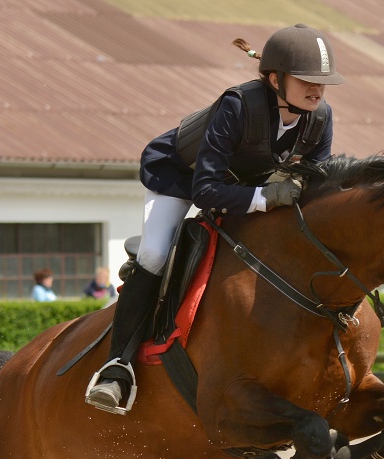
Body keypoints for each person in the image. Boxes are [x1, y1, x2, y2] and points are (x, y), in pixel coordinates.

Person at [85, 23, 344, 412]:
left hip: (240, 186)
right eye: (307, 80)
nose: (317, 89)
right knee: (155, 255)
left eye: (322, 82)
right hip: (179, 176)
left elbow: (314, 186)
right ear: (275, 79)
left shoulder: (319, 119)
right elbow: (204, 191)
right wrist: (265, 196)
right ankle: (116, 367)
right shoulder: (238, 105)